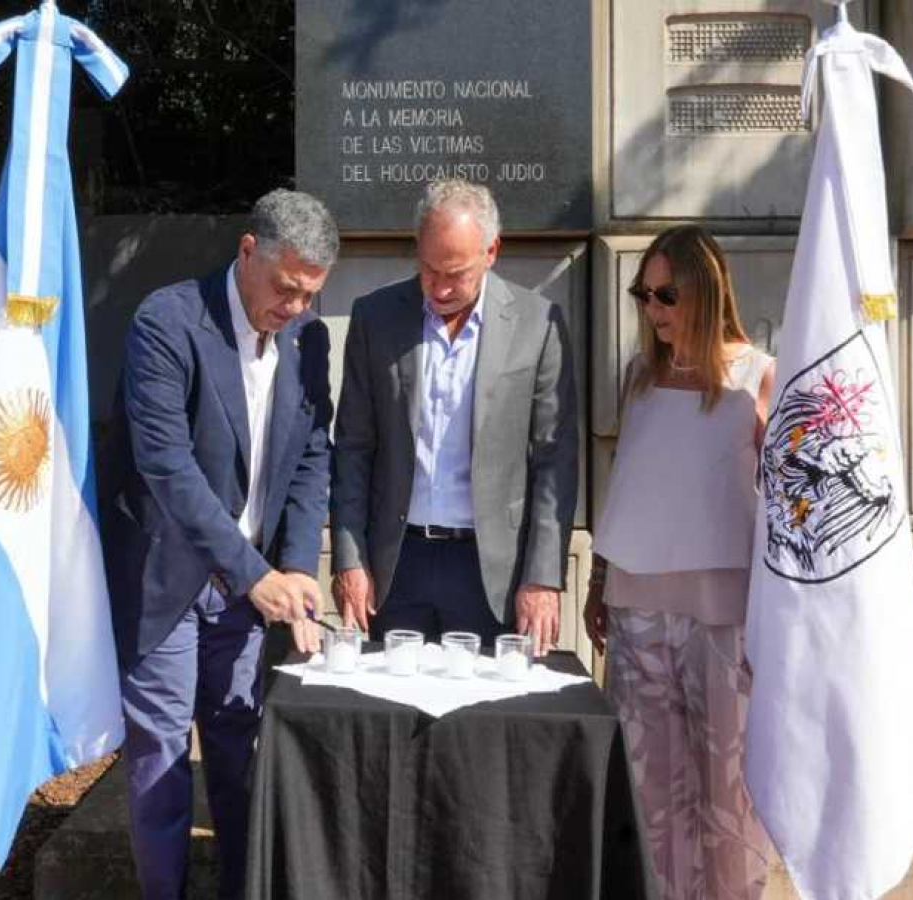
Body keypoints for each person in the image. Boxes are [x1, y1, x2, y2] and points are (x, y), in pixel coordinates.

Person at [99, 189, 336, 900]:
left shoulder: (308, 338)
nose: (295, 307)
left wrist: (294, 563)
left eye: (309, 294)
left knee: (239, 755)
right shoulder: (167, 322)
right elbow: (167, 467)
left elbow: (311, 457)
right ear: (247, 251)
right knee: (162, 760)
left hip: (251, 583)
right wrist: (251, 570)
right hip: (168, 576)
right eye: (286, 288)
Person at [583, 225, 775, 899]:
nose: (653, 309)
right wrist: (600, 578)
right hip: (637, 610)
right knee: (650, 793)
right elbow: (630, 482)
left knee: (728, 794)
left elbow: (782, 504)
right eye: (644, 294)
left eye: (666, 294)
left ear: (705, 290)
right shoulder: (639, 376)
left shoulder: (758, 373)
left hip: (724, 617)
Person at [330, 179, 577, 654]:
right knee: (394, 714)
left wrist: (544, 578)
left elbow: (555, 460)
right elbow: (354, 446)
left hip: (493, 571)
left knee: (485, 722)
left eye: (456, 272)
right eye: (428, 269)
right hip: (396, 566)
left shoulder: (537, 323)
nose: (440, 287)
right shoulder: (375, 317)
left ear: (492, 251)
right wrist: (349, 558)